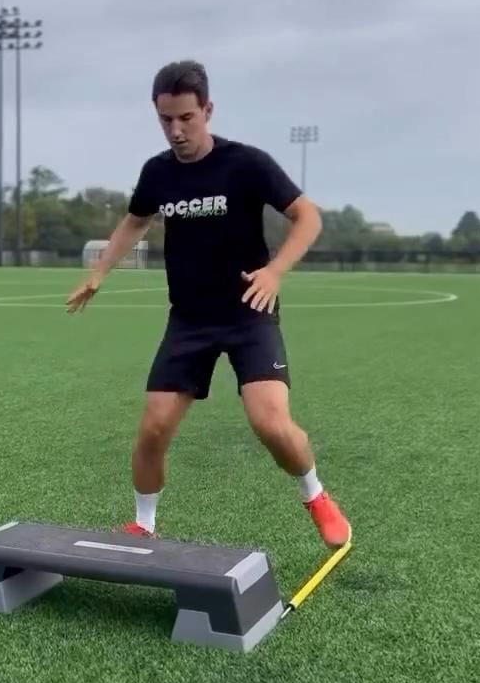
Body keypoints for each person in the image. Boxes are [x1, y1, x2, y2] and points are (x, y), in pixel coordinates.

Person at [66, 59, 351, 549]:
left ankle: (317, 496)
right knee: (153, 427)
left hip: (248, 311)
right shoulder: (157, 173)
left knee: (270, 424)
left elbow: (307, 217)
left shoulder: (245, 163)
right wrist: (99, 274)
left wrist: (274, 270)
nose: (175, 131)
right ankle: (144, 525)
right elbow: (136, 221)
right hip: (190, 318)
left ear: (208, 110)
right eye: (165, 120)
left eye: (186, 119)